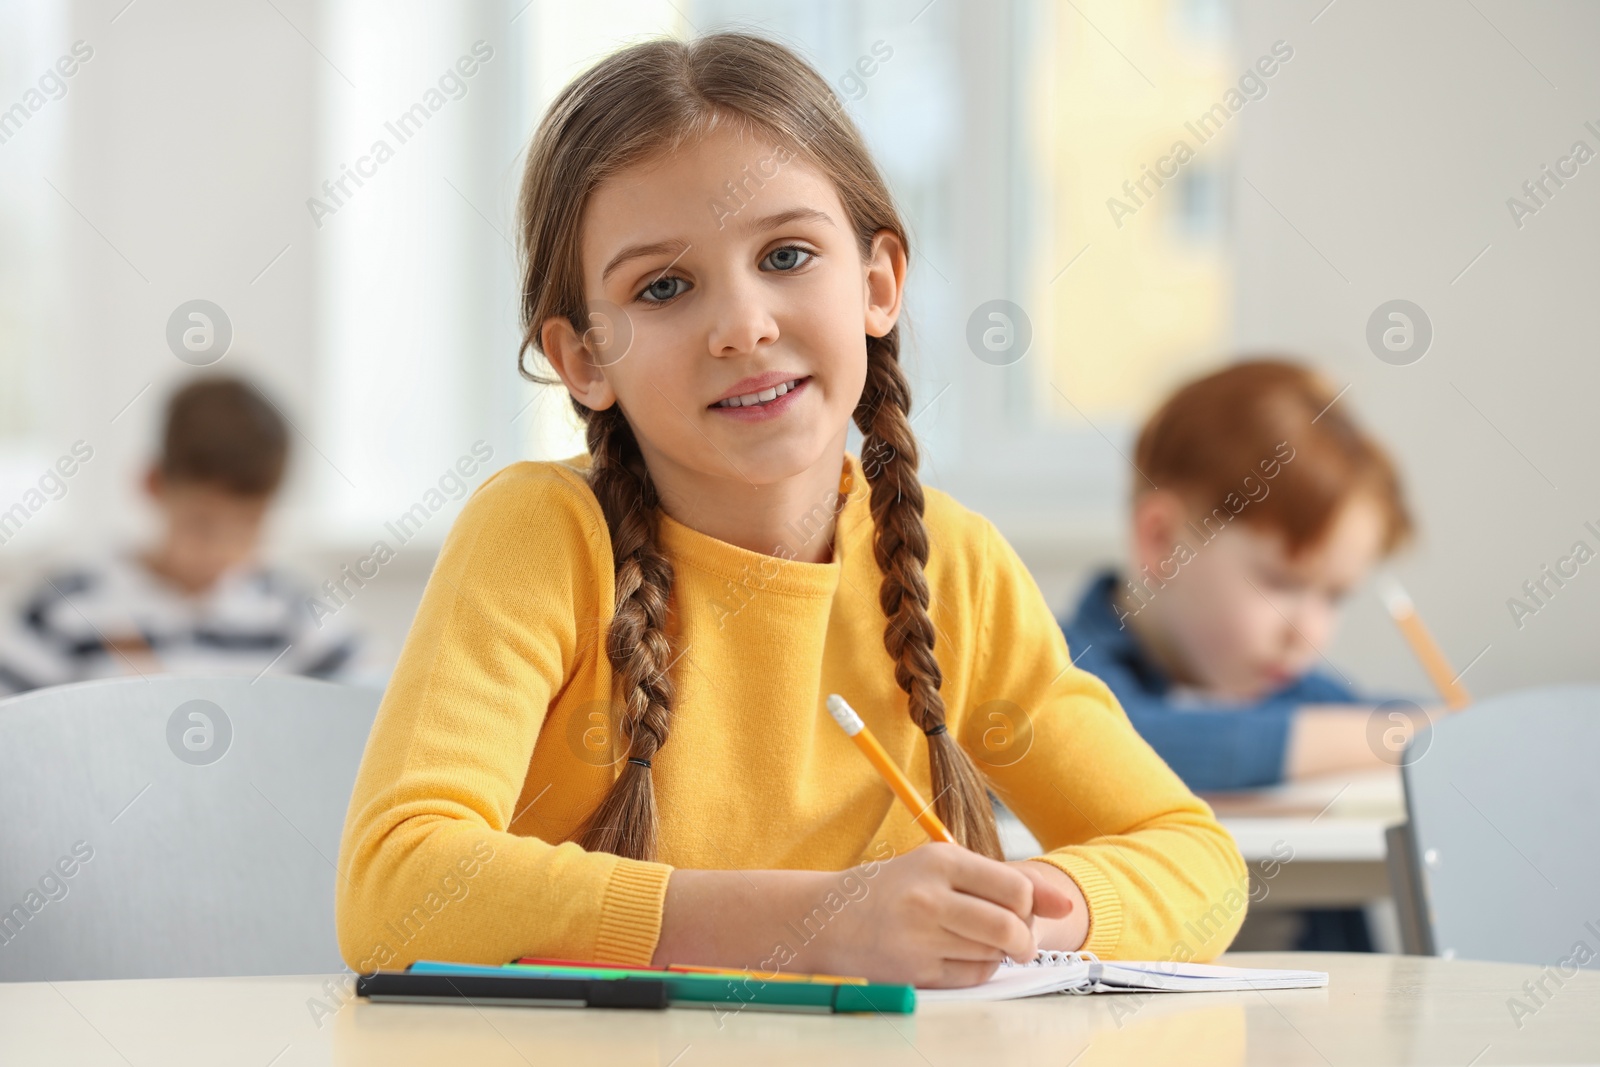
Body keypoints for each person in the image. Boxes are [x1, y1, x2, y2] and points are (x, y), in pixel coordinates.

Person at [335, 33, 1248, 990]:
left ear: (878, 283)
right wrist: (820, 922)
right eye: (665, 287)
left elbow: (1201, 866)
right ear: (585, 360)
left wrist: (1028, 907)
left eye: (787, 254)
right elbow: (396, 890)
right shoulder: (541, 536)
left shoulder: (954, 566)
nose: (745, 326)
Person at [1059, 359, 1426, 951]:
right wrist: (1399, 734)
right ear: (1161, 540)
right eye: (1282, 583)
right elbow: (1119, 744)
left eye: (1335, 596)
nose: (1309, 633)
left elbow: (1399, 720)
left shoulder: (1288, 688)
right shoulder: (1053, 666)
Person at [0, 376, 365, 695]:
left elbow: (376, 711)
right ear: (153, 485)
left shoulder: (294, 615)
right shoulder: (68, 608)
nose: (223, 551)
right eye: (202, 524)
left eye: (249, 525)